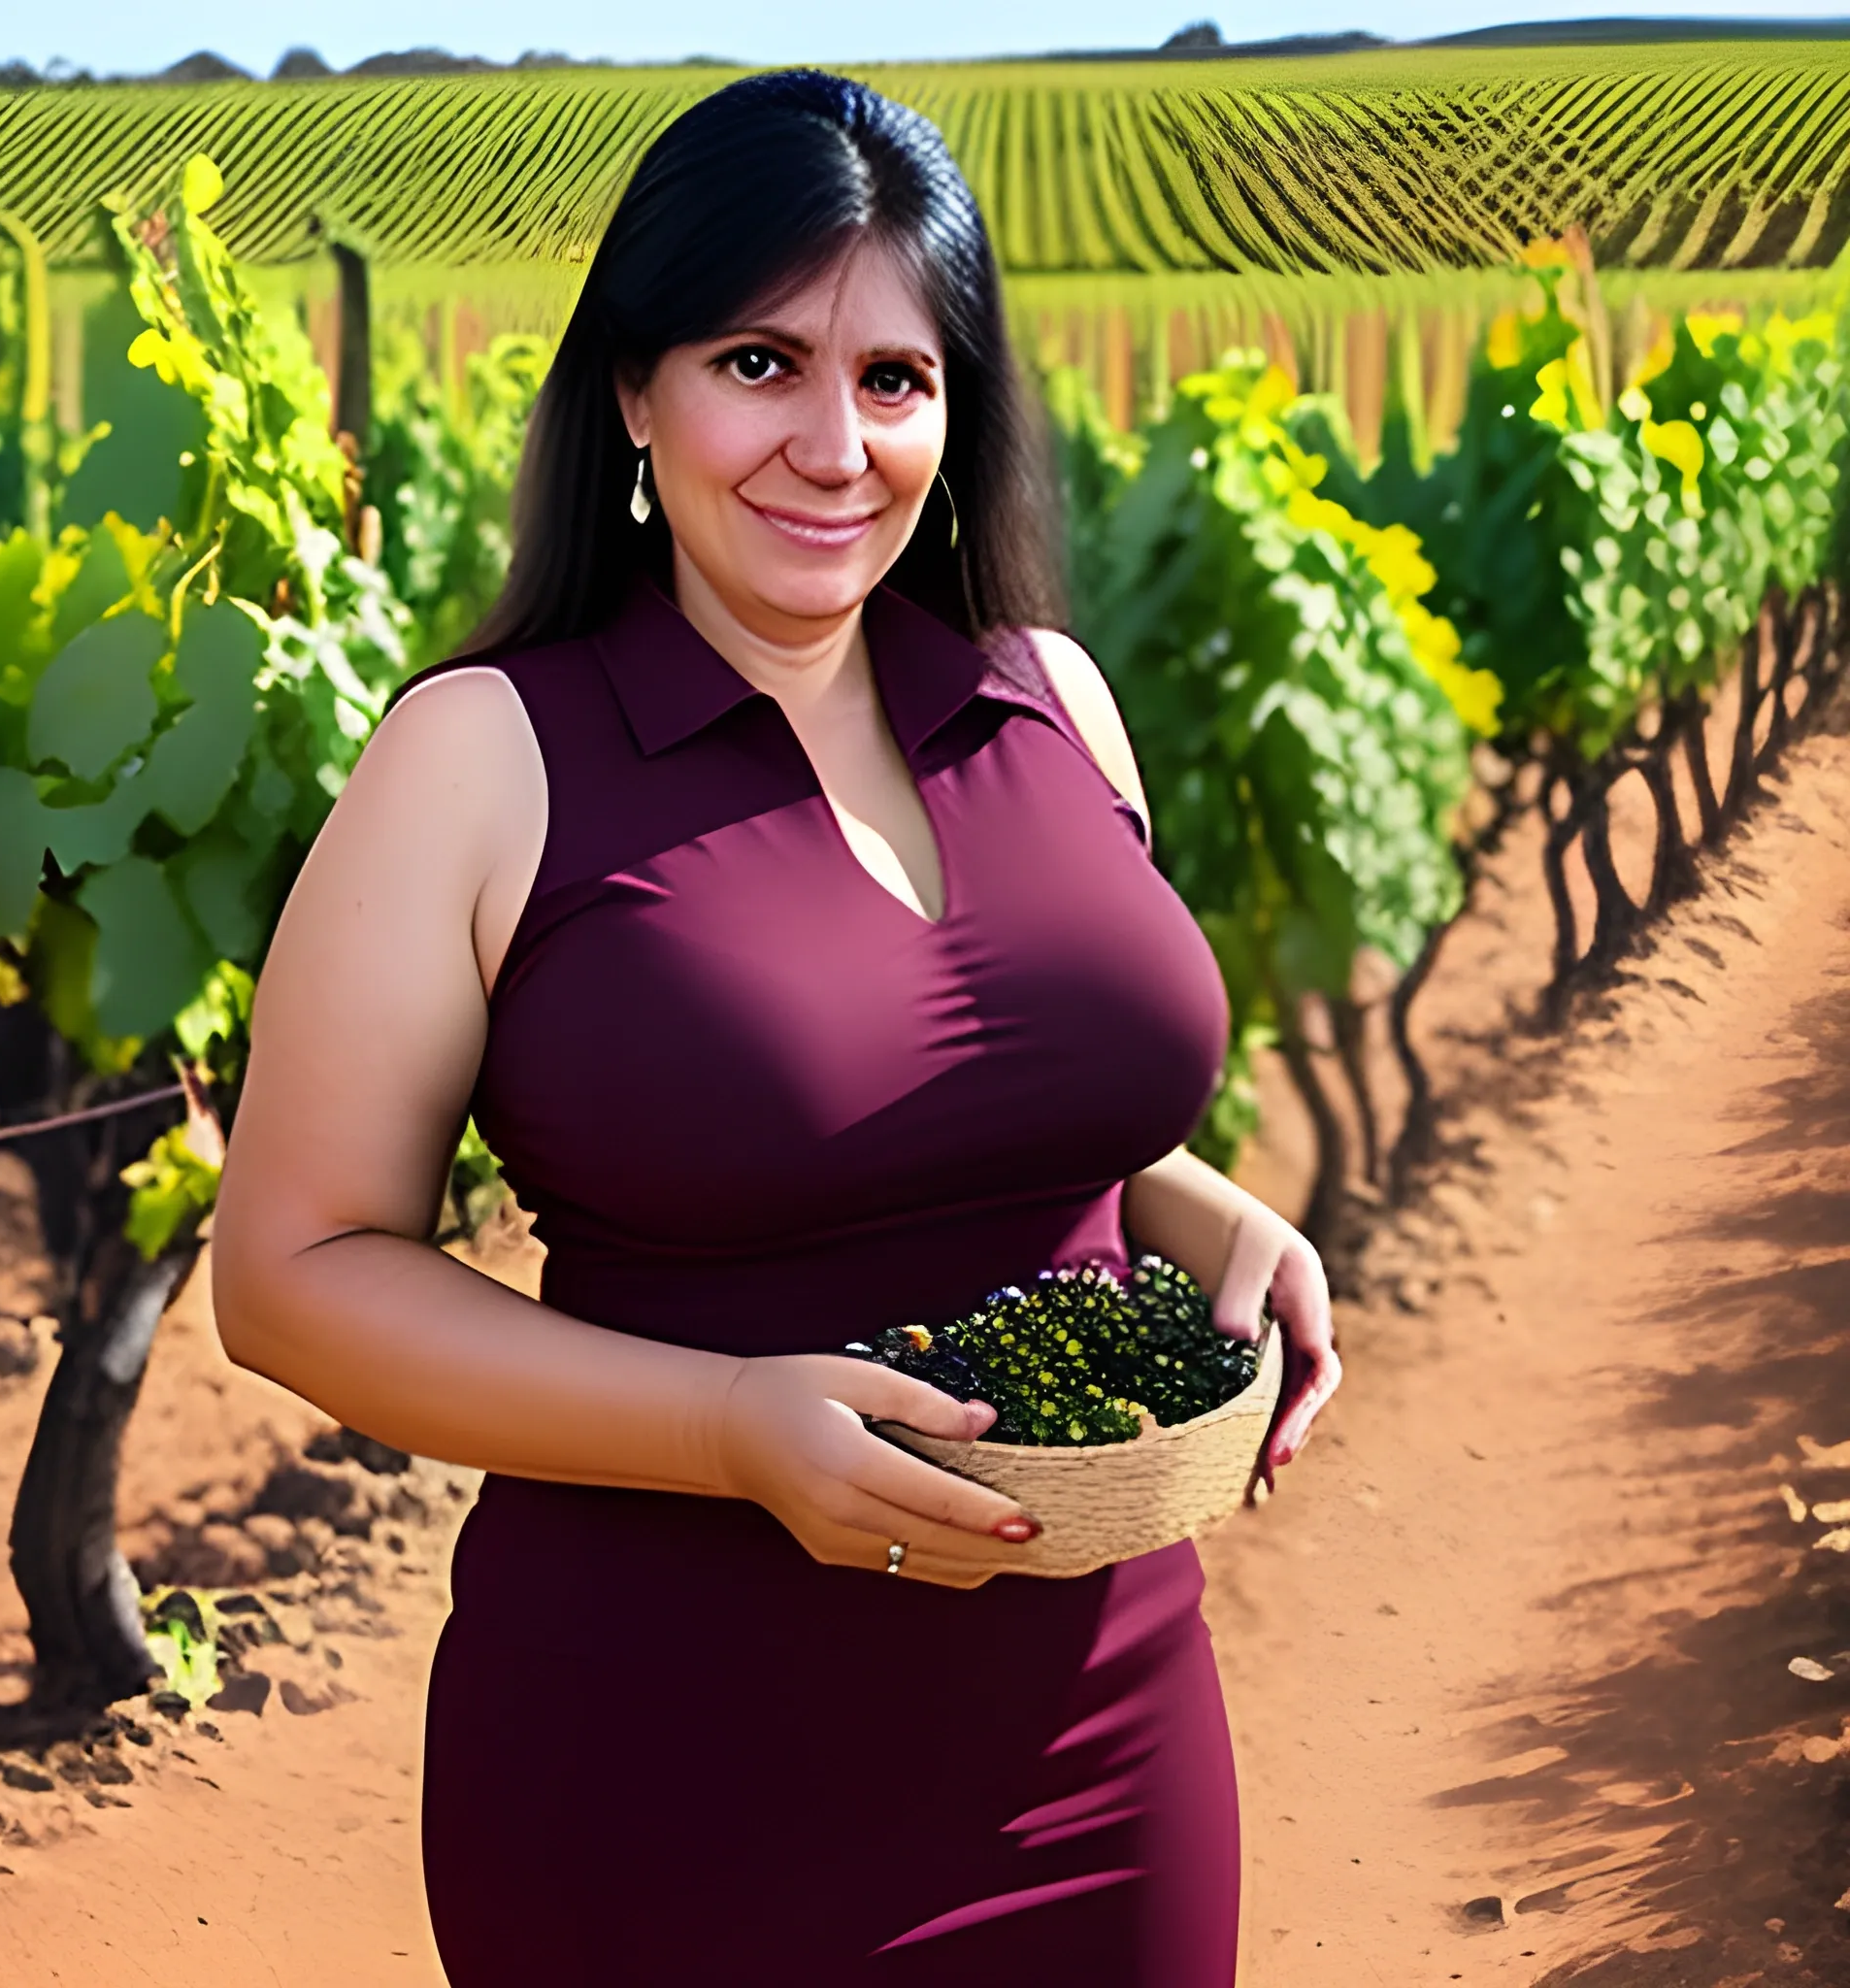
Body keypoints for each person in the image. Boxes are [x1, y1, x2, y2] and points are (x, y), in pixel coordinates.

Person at [211, 67, 1339, 1987]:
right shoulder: (482, 759)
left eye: (896, 379)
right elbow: (291, 1274)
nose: (835, 445)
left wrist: (1201, 1211)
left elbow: (979, 1109)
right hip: (673, 1760)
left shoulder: (1049, 696)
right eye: (760, 362)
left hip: (1104, 1723)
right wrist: (733, 1423)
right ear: (634, 394)